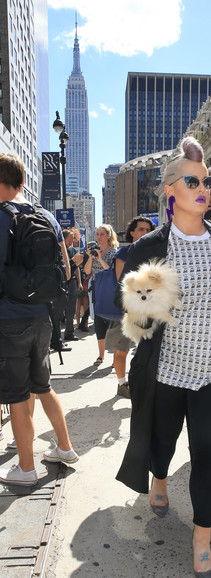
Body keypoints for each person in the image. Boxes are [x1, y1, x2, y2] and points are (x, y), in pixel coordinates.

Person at [116, 137, 211, 578]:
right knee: (162, 441)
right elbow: (136, 315)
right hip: (167, 370)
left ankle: (201, 539)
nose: (204, 188)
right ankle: (158, 478)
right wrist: (145, 297)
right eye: (193, 181)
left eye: (207, 182)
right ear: (171, 191)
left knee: (209, 454)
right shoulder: (152, 246)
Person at [0, 153, 78, 486]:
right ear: (20, 181)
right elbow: (67, 268)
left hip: (9, 317)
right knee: (42, 386)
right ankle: (65, 448)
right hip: (43, 318)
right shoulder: (45, 214)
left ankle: (27, 468)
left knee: (17, 393)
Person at [105, 216, 155, 396]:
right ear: (131, 233)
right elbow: (122, 284)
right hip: (126, 309)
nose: (145, 233)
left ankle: (144, 383)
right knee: (121, 350)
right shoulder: (124, 253)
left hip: (151, 310)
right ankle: (121, 383)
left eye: (148, 230)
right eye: (141, 229)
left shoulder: (154, 254)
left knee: (147, 351)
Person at [84, 224, 118, 366]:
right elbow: (87, 271)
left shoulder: (114, 252)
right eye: (97, 234)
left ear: (108, 235)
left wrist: (100, 259)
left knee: (113, 323)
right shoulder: (94, 251)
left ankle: (116, 359)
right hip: (98, 288)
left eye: (102, 234)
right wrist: (90, 257)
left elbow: (112, 271)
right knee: (99, 323)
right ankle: (101, 356)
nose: (99, 237)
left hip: (110, 289)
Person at [63, 230, 82, 342]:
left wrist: (79, 282)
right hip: (62, 283)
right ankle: (55, 337)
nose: (71, 242)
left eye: (72, 240)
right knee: (58, 309)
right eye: (69, 240)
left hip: (72, 282)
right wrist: (73, 260)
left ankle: (69, 333)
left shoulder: (73, 250)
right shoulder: (59, 250)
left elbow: (77, 268)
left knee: (71, 309)